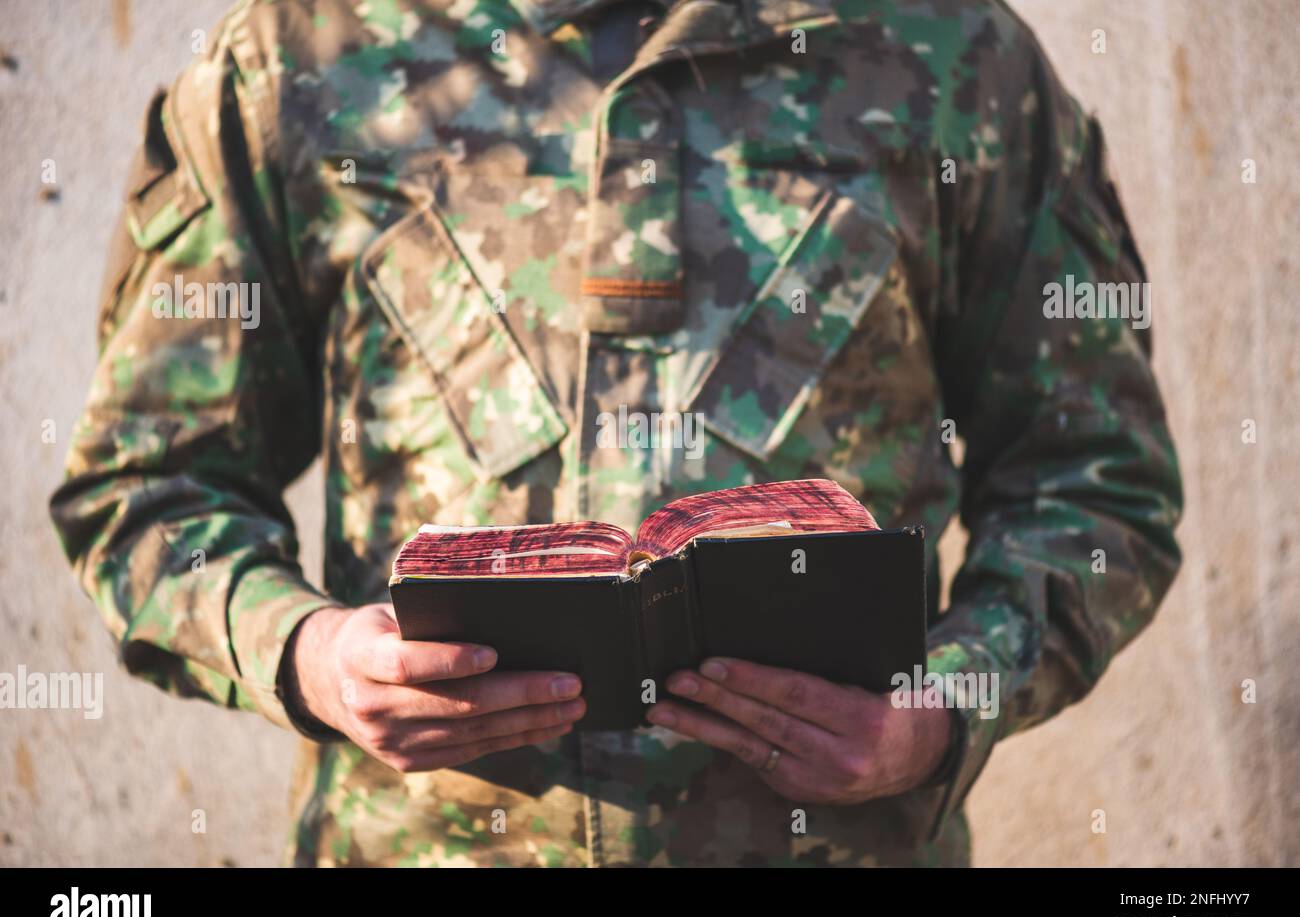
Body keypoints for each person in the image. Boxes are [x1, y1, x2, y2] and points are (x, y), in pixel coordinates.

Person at [50, 0, 1183, 866]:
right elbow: (149, 489)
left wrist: (942, 710)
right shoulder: (302, 59)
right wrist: (315, 659)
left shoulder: (947, 57)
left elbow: (1096, 490)